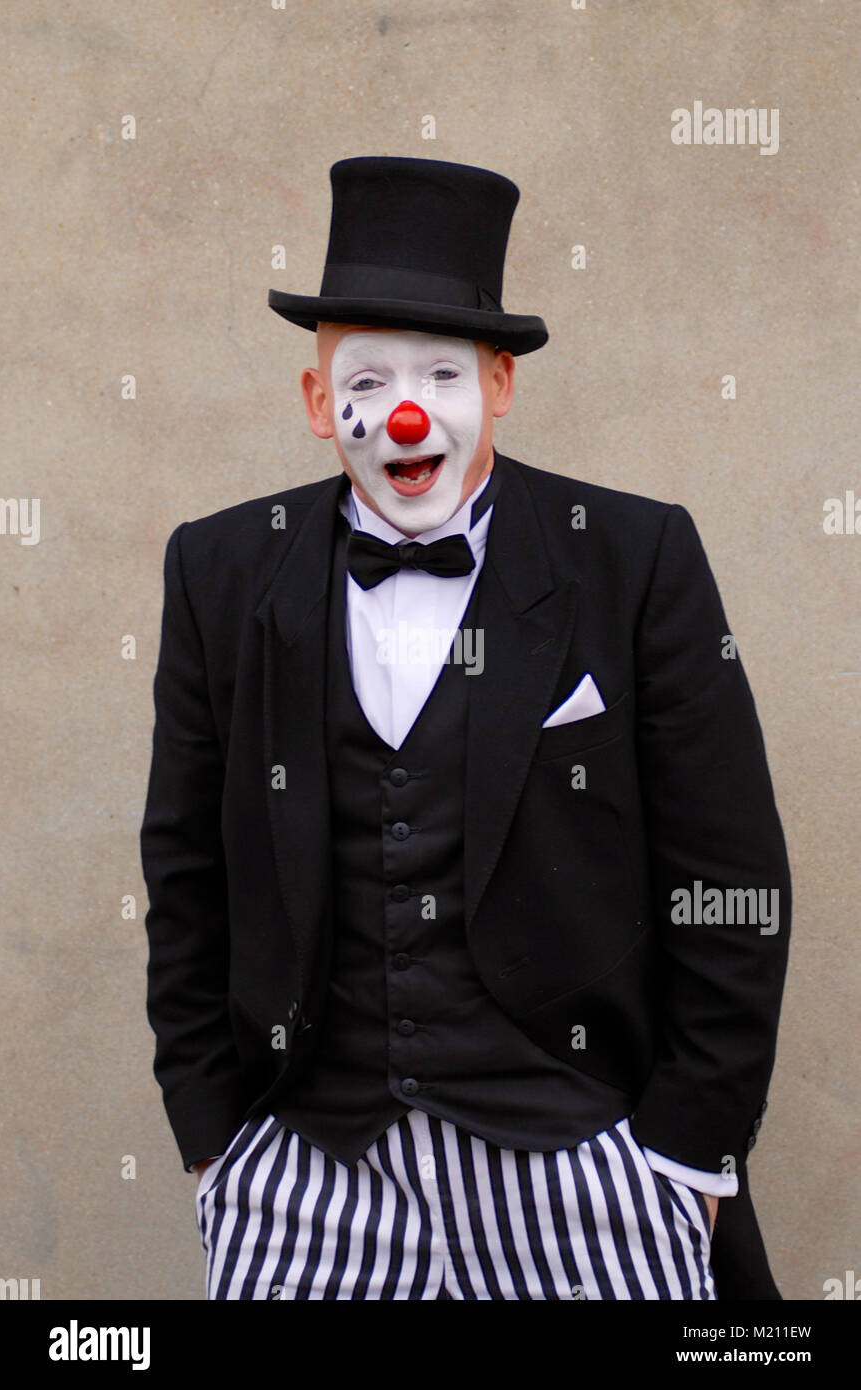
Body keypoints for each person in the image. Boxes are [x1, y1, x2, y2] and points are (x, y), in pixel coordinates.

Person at [140, 155, 791, 1300]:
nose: (403, 410)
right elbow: (186, 868)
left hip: (585, 1166)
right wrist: (210, 1138)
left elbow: (729, 874)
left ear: (498, 385)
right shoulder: (220, 566)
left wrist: (690, 1148)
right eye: (367, 376)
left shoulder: (632, 558)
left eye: (440, 372)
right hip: (307, 1173)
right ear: (311, 400)